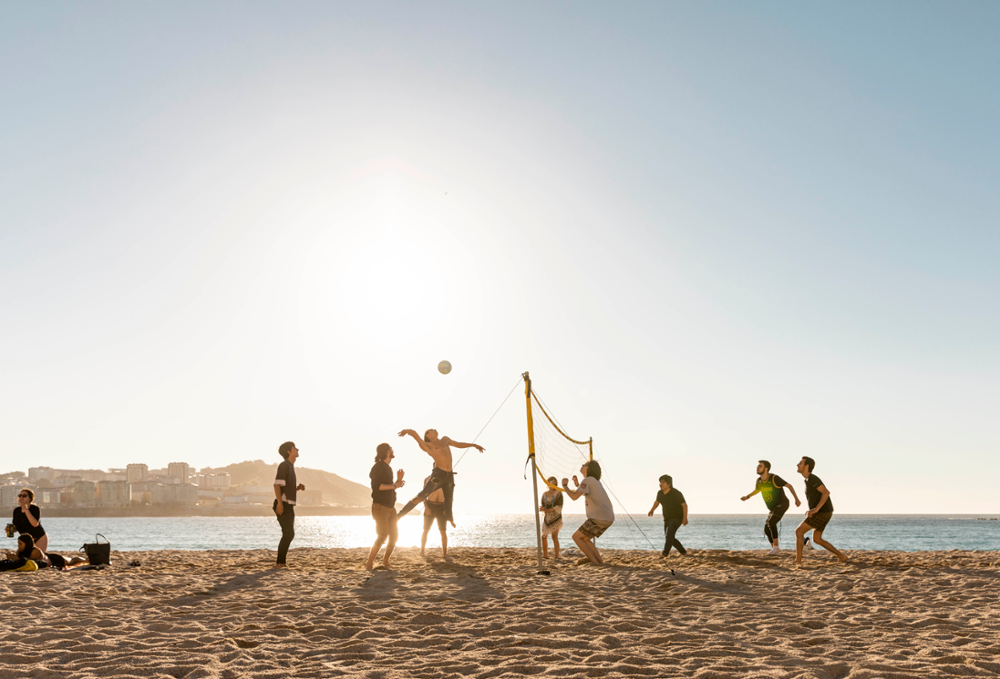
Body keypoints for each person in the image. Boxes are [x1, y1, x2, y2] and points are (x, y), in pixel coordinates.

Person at [396, 428, 484, 525]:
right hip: (438, 475)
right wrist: (407, 431)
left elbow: (458, 444)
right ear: (428, 435)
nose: (434, 429)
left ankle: (449, 519)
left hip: (449, 475)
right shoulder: (428, 446)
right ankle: (399, 516)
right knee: (422, 496)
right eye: (431, 430)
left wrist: (474, 445)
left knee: (449, 498)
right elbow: (414, 434)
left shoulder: (445, 440)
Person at [794, 456, 848, 565]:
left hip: (822, 512)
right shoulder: (808, 480)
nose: (797, 465)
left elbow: (826, 492)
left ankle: (798, 561)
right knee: (817, 539)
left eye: (800, 463)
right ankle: (841, 556)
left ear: (806, 466)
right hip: (825, 512)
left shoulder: (813, 479)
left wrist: (815, 509)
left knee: (799, 531)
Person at [740, 460, 801, 555]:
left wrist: (796, 499)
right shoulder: (759, 480)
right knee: (767, 528)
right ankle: (774, 549)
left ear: (766, 469)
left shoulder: (774, 478)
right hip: (772, 508)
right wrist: (747, 497)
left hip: (782, 504)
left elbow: (789, 485)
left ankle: (776, 548)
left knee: (771, 522)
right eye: (757, 466)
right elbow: (757, 490)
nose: (757, 467)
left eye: (760, 466)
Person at [562, 460, 614, 565]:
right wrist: (577, 484)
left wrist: (565, 486)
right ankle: (600, 562)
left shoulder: (588, 480)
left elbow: (574, 497)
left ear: (589, 468)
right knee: (585, 539)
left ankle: (594, 562)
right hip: (608, 518)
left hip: (598, 518)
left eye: (585, 464)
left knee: (576, 537)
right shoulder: (593, 480)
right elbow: (585, 492)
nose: (582, 465)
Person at [366, 442, 405, 570]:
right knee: (382, 535)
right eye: (391, 449)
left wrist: (398, 482)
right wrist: (395, 485)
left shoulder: (388, 468)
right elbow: (378, 487)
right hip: (380, 507)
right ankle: (369, 564)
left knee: (394, 536)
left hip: (390, 507)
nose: (392, 451)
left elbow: (388, 488)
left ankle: (385, 561)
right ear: (387, 452)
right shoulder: (377, 467)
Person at [273, 441, 306, 568]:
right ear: (289, 451)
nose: (297, 450)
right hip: (283, 505)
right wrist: (280, 504)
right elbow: (276, 485)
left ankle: (281, 562)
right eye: (295, 448)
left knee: (288, 534)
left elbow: (285, 487)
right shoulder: (284, 465)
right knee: (288, 533)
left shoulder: (290, 466)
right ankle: (280, 563)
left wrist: (297, 488)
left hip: (288, 504)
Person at [647, 474, 688, 557]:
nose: (660, 484)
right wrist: (652, 510)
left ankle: (665, 553)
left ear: (669, 484)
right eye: (660, 482)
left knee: (669, 535)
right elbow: (657, 502)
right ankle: (683, 552)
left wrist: (685, 518)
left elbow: (684, 505)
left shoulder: (676, 493)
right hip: (667, 518)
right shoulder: (660, 493)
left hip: (677, 518)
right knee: (669, 537)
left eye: (663, 482)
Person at [418, 471, 448, 559]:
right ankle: (422, 551)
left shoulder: (446, 479)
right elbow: (423, 495)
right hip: (430, 506)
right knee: (426, 530)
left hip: (441, 507)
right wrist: (426, 507)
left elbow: (449, 496)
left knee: (443, 531)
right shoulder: (427, 479)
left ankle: (445, 553)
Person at [12, 489, 47, 553]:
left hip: (39, 537)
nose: (21, 497)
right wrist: (11, 529)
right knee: (22, 558)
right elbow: (15, 527)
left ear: (30, 498)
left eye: (24, 496)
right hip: (25, 540)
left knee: (37, 557)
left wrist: (25, 509)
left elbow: (35, 524)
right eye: (20, 496)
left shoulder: (34, 509)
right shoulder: (16, 510)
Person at [538, 478, 564, 559]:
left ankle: (557, 556)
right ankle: (545, 555)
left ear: (556, 482)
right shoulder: (545, 494)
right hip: (547, 517)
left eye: (553, 481)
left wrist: (548, 510)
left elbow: (559, 506)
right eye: (550, 481)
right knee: (544, 536)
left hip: (555, 517)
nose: (551, 482)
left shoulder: (559, 493)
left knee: (554, 536)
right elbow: (543, 504)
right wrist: (543, 509)